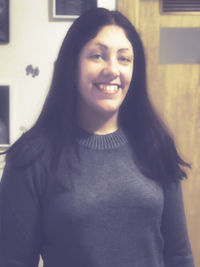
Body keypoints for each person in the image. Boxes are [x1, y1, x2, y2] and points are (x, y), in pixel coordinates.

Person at [0, 7, 195, 267]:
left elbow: (179, 255)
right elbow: (12, 260)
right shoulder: (32, 156)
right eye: (97, 56)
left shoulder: (155, 144)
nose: (113, 69)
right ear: (72, 65)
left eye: (124, 59)